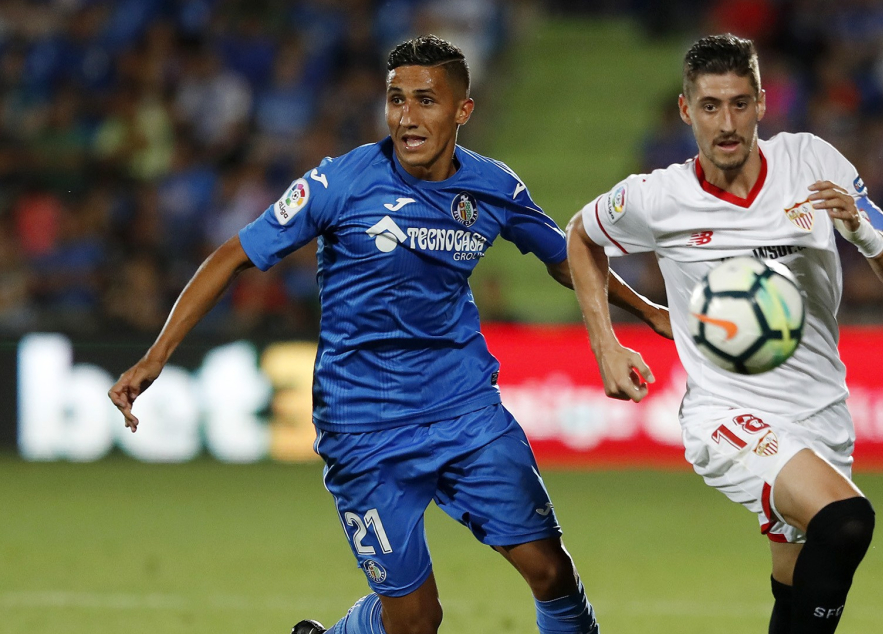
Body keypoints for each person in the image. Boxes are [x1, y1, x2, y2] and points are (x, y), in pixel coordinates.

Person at [108, 35, 670, 634]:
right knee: (416, 621)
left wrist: (645, 312)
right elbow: (233, 255)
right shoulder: (339, 184)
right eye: (396, 99)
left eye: (426, 100)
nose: (406, 116)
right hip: (363, 429)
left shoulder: (493, 188)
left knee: (550, 571)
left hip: (464, 410)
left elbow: (564, 258)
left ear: (463, 110)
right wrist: (156, 356)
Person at [565, 34, 883, 634]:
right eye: (710, 106)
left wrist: (861, 231)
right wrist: (608, 339)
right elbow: (580, 235)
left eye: (739, 103)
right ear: (687, 111)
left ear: (762, 102)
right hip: (724, 412)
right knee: (845, 521)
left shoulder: (811, 162)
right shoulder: (659, 197)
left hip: (819, 411)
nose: (726, 123)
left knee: (797, 585)